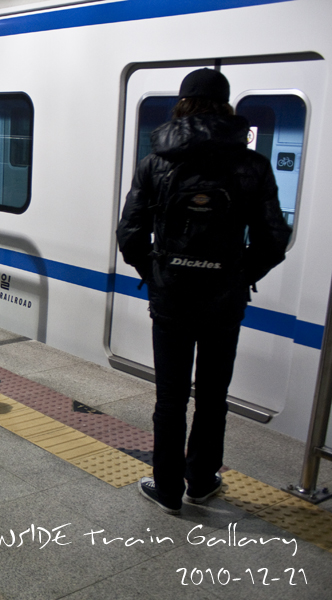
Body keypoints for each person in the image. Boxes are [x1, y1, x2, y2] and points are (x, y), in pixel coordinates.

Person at [116, 68, 292, 514]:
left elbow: (129, 233)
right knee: (213, 397)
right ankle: (201, 480)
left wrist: (156, 271)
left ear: (182, 104)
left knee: (170, 397)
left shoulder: (155, 162)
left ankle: (167, 489)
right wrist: (239, 273)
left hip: (171, 297)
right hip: (223, 300)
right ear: (227, 107)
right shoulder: (252, 165)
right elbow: (274, 238)